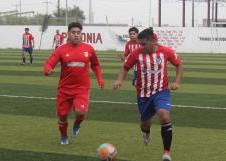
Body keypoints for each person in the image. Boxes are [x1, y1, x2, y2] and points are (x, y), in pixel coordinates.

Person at [113, 28, 183, 161]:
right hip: (143, 95)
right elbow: (125, 67)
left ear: (153, 41)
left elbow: (179, 65)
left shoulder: (166, 51)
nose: (141, 46)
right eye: (140, 44)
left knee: (164, 116)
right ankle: (146, 133)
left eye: (144, 44)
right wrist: (119, 80)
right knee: (145, 124)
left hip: (161, 92)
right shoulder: (136, 54)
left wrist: (177, 82)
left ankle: (166, 153)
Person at [44, 22, 104, 145]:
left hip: (81, 88)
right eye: (73, 33)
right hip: (64, 89)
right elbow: (49, 63)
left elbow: (96, 65)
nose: (76, 35)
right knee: (62, 116)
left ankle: (77, 124)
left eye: (78, 33)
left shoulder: (89, 49)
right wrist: (47, 70)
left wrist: (99, 78)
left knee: (80, 112)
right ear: (68, 34)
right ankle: (64, 136)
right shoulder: (61, 50)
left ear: (81, 34)